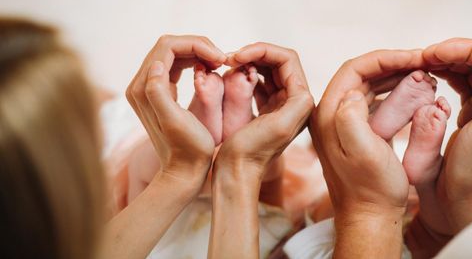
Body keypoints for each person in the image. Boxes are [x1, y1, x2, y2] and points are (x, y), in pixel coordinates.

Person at [0, 17, 314, 259]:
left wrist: (181, 170)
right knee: (138, 164)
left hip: (166, 213)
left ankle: (209, 124)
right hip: (238, 221)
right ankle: (216, 125)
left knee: (142, 166)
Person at [285, 38, 472, 258]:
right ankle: (424, 173)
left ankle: (384, 141)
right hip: (430, 235)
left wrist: (368, 207)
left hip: (348, 235)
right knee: (437, 230)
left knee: (330, 195)